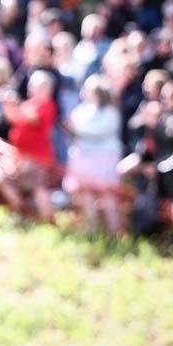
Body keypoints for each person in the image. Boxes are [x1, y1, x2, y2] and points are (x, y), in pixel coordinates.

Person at [64, 75, 124, 233]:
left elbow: (100, 130)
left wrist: (77, 129)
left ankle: (114, 231)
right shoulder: (82, 109)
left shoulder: (110, 111)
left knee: (108, 195)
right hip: (84, 156)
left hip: (104, 158)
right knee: (86, 194)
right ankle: (92, 229)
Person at [0, 71, 57, 221]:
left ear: (46, 89)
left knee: (38, 189)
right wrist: (6, 104)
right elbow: (14, 118)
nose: (30, 89)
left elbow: (33, 119)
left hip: (36, 158)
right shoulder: (29, 104)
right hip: (21, 157)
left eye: (35, 86)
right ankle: (22, 210)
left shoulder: (46, 105)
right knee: (4, 180)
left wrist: (16, 103)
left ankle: (47, 220)